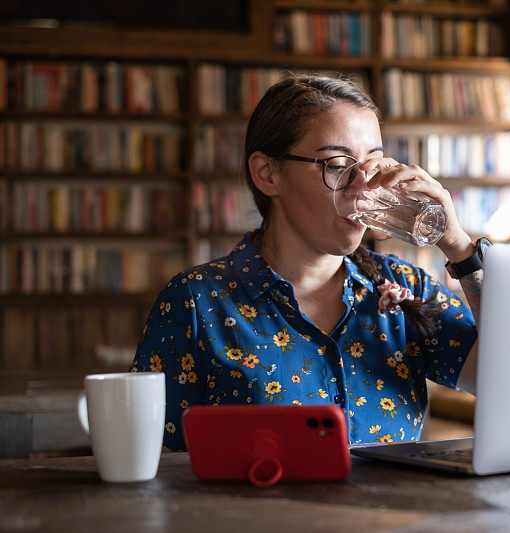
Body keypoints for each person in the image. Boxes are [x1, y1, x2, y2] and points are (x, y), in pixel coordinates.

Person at [129, 74, 485, 451]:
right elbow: (154, 463)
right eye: (337, 165)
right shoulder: (196, 302)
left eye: (375, 165)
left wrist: (459, 247)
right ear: (268, 174)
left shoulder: (405, 288)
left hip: (392, 512)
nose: (363, 188)